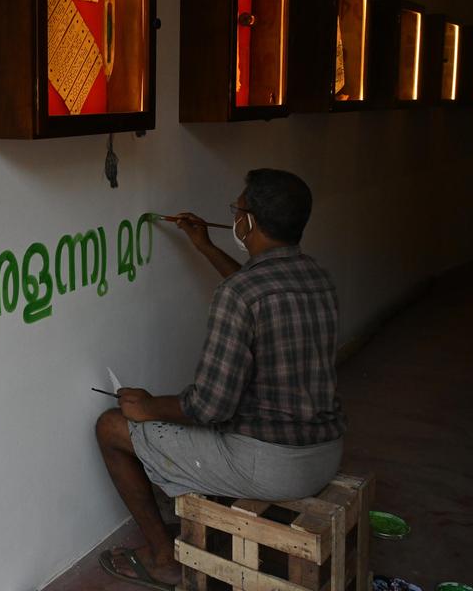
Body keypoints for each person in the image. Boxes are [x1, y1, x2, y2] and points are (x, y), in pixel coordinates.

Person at [95, 169, 346, 588]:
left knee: (111, 427)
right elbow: (258, 291)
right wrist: (206, 247)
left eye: (237, 209)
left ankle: (163, 559)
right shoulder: (316, 276)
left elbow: (209, 407)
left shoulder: (240, 294)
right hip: (325, 454)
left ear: (247, 222)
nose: (234, 217)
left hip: (271, 466)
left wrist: (147, 406)